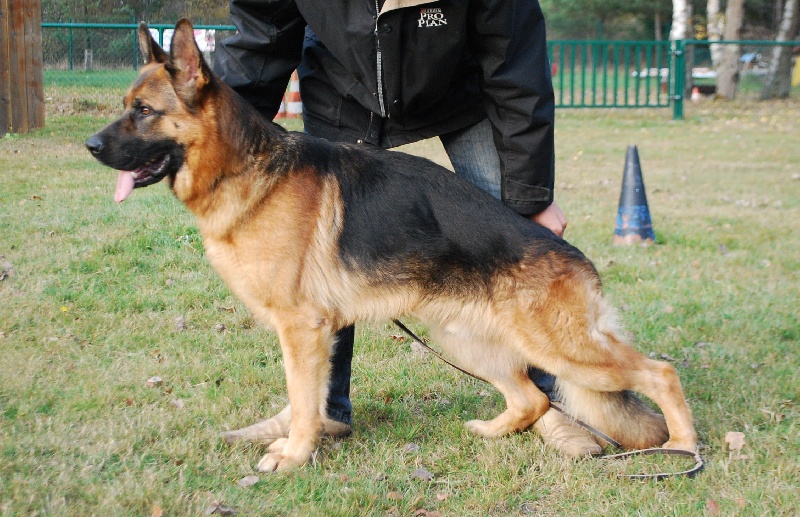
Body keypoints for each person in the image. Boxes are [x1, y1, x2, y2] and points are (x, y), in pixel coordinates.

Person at [214, 0, 601, 458]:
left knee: (513, 241)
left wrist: (530, 196)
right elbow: (262, 37)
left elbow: (513, 56)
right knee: (319, 261)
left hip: (461, 90)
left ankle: (552, 401)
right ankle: (319, 411)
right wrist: (216, 137)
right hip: (343, 91)